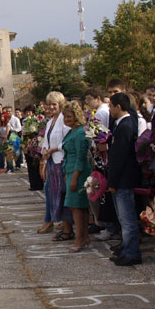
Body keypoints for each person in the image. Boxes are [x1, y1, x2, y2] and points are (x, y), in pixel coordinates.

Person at [107, 93, 142, 266]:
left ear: (118, 106)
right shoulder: (121, 125)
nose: (109, 110)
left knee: (127, 219)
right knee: (123, 218)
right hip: (121, 179)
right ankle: (126, 248)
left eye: (111, 106)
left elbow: (119, 157)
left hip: (123, 179)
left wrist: (112, 182)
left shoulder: (126, 125)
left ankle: (132, 252)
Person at [38, 92, 72, 238]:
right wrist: (45, 150)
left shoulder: (64, 119)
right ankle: (57, 222)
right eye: (49, 104)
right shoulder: (50, 121)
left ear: (60, 104)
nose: (51, 107)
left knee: (62, 194)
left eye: (54, 104)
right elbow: (47, 140)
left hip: (61, 160)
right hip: (52, 161)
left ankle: (66, 228)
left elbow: (67, 140)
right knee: (52, 193)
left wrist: (53, 149)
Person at [62, 101, 92, 252]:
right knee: (77, 206)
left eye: (69, 116)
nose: (66, 119)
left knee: (76, 206)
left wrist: (74, 177)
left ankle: (80, 238)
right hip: (70, 171)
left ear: (76, 116)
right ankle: (83, 236)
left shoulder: (80, 133)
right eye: (65, 116)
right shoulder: (72, 131)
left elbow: (81, 157)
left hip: (78, 172)